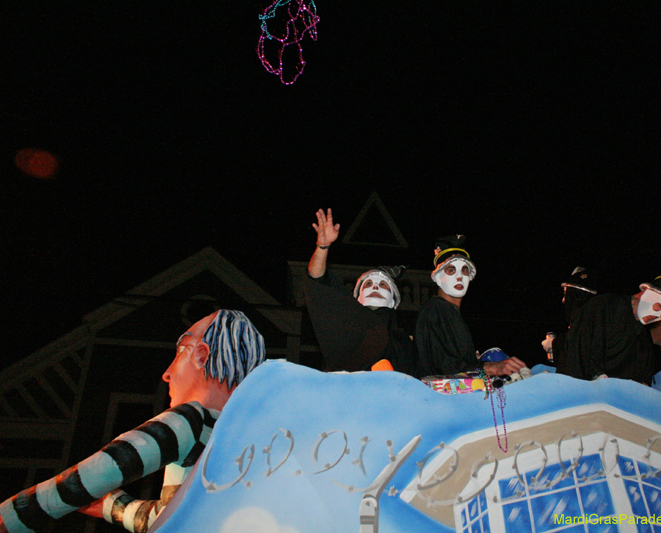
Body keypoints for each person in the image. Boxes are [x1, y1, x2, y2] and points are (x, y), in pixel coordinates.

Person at [0, 310, 268, 533]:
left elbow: (95, 474)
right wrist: (111, 506)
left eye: (179, 352)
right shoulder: (250, 444)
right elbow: (170, 517)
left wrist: (9, 516)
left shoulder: (191, 420)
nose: (167, 374)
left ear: (200, 355)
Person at [304, 208, 417, 375]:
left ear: (394, 301)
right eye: (369, 283)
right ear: (357, 298)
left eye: (383, 285)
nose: (375, 287)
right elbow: (317, 280)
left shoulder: (405, 344)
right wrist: (322, 247)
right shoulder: (343, 326)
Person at [558, 253, 661, 384]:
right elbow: (582, 347)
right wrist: (597, 376)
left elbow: (645, 376)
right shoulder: (604, 306)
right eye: (659, 306)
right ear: (646, 292)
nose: (658, 316)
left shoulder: (642, 339)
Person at [414, 235, 525, 378]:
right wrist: (490, 367)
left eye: (464, 270)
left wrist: (475, 362)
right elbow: (443, 365)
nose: (459, 276)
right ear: (437, 277)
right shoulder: (435, 310)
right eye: (451, 270)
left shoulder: (450, 313)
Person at [544, 266, 601, 364]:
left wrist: (554, 344)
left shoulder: (588, 317)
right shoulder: (595, 314)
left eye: (566, 295)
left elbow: (580, 347)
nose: (563, 300)